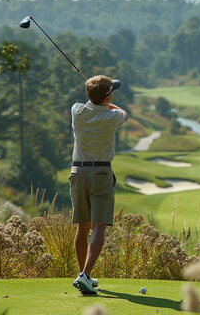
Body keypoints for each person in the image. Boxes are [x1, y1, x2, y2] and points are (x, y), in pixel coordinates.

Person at [69, 75, 127, 294]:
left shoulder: (77, 111)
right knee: (99, 227)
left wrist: (95, 96)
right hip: (101, 173)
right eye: (112, 92)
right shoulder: (114, 117)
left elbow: (87, 103)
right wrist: (106, 101)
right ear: (109, 96)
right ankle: (85, 275)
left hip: (77, 172)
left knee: (82, 226)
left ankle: (84, 275)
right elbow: (121, 112)